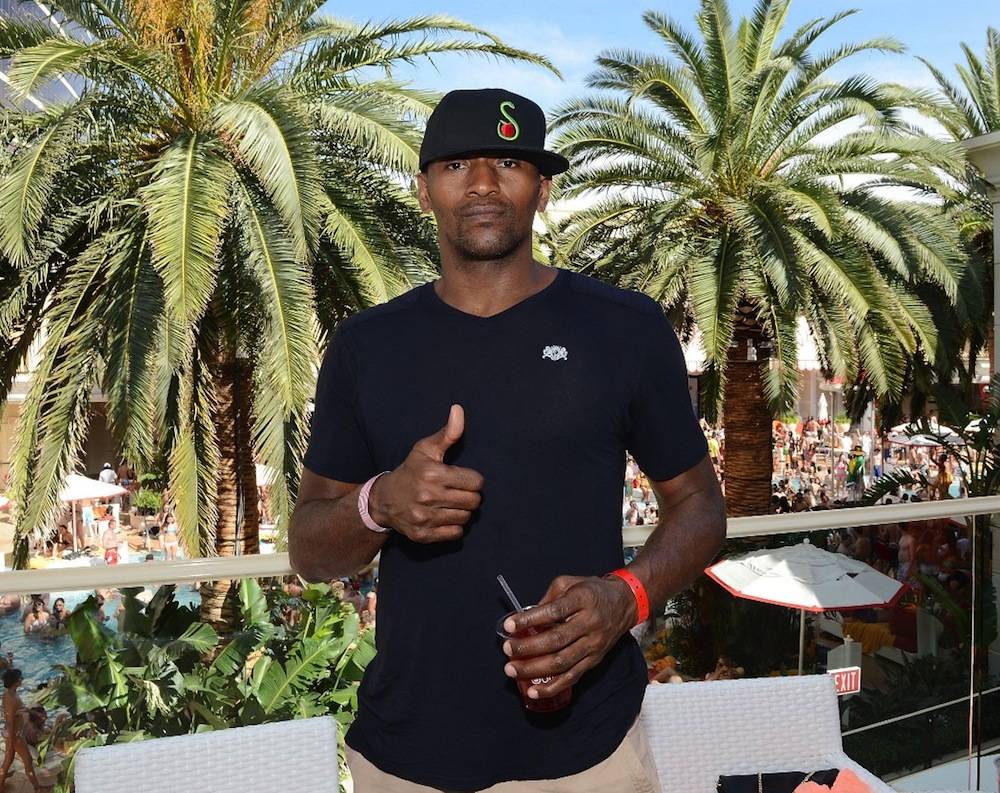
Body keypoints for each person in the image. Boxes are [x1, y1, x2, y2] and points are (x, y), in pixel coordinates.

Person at [288, 88, 727, 792]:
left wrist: (627, 597)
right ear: (424, 190)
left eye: (510, 164)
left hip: (592, 756)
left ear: (542, 190)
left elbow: (701, 505)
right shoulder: (365, 347)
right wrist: (381, 503)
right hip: (408, 758)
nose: (484, 184)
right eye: (457, 165)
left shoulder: (625, 329)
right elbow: (309, 551)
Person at [0, 669, 44, 792]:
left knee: (8, 760)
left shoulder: (9, 693)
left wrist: (35, 713)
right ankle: (38, 788)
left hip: (13, 734)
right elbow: (9, 721)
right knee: (28, 761)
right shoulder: (12, 698)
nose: (22, 679)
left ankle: (0, 785)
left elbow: (21, 709)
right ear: (15, 681)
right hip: (15, 735)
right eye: (20, 678)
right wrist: (12, 740)